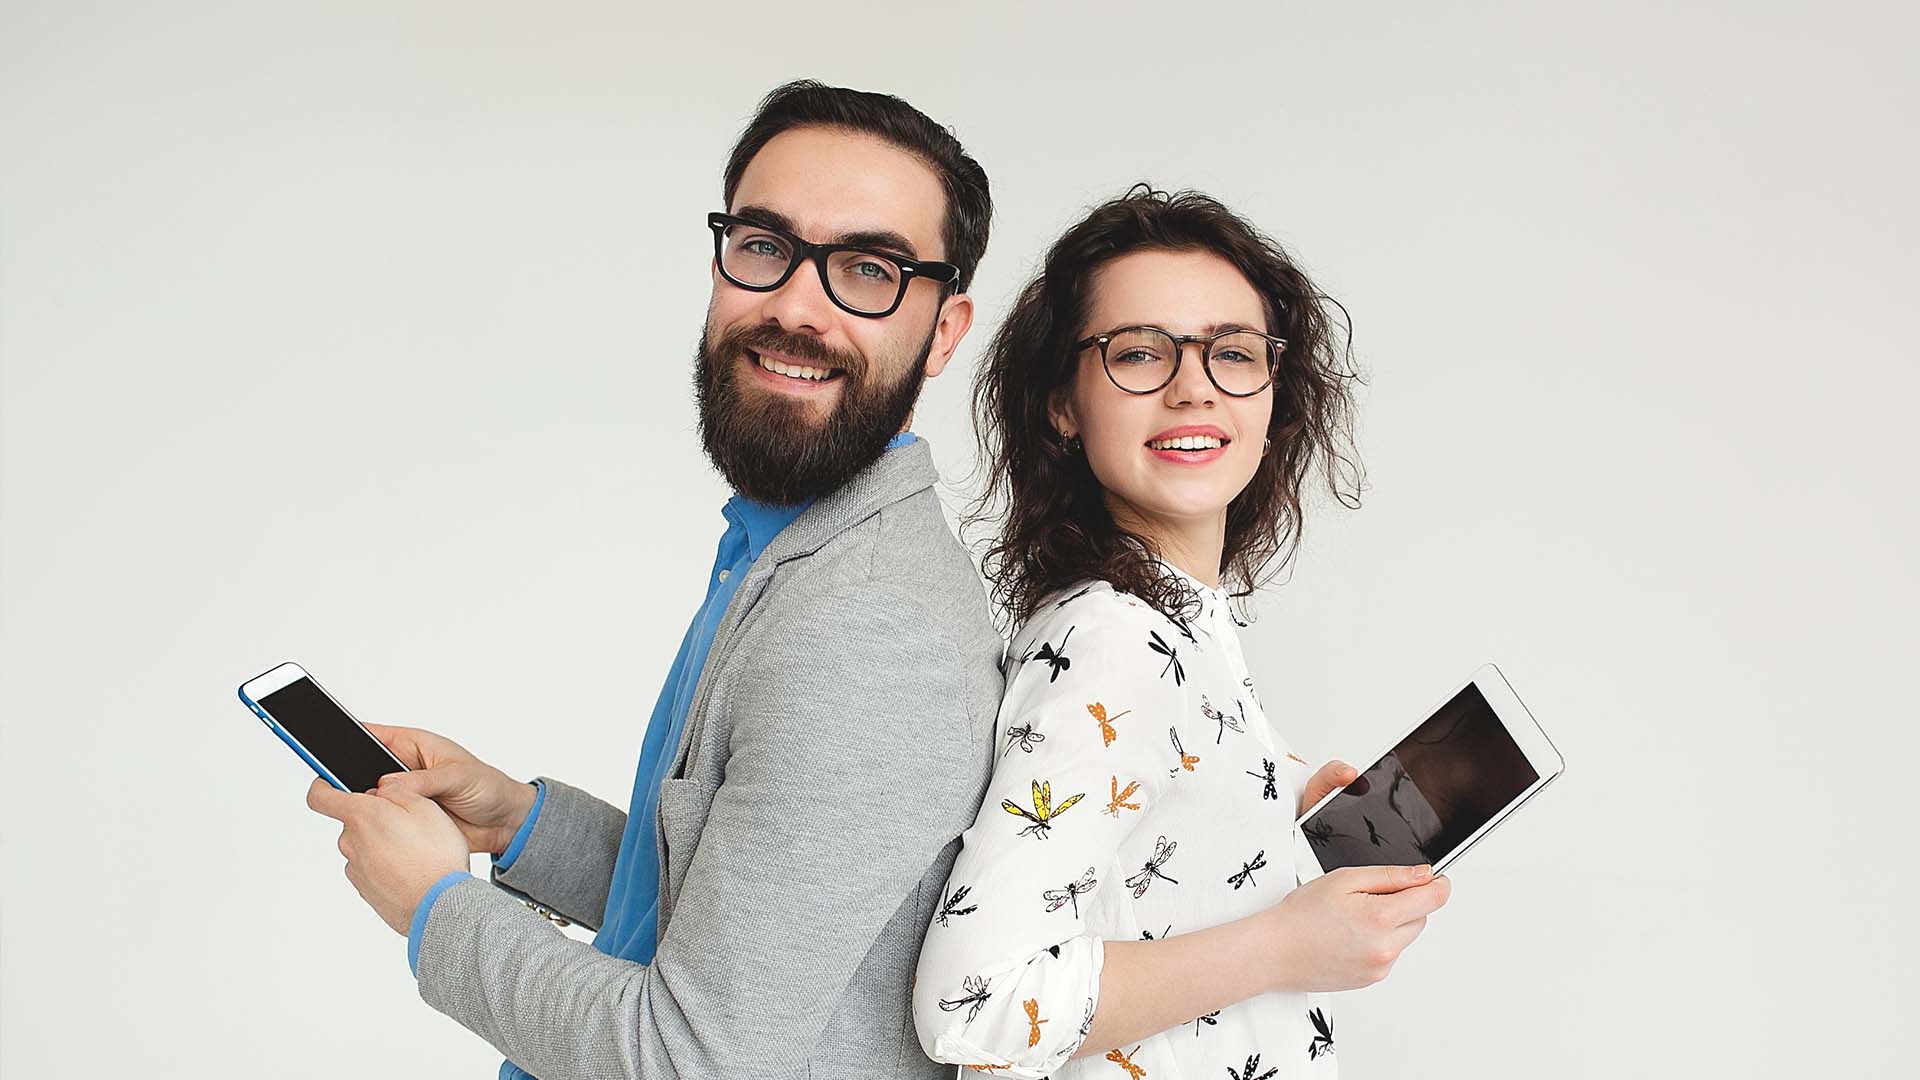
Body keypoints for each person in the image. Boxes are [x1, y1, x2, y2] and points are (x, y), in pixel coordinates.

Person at [304, 80, 1006, 1079]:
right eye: (765, 246)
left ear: (943, 329)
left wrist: (434, 909)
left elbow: (694, 1058)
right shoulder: (790, 547)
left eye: (868, 269)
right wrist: (517, 823)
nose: (798, 306)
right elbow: (738, 910)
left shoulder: (870, 628)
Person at [912, 186, 1452, 1078]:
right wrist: (1286, 945)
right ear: (1062, 403)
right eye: (1138, 354)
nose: (1194, 385)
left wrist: (1281, 817)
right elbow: (976, 1001)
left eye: (1233, 353)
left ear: (1275, 393)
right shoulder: (1113, 641)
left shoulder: (1177, 623)